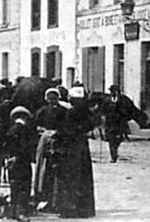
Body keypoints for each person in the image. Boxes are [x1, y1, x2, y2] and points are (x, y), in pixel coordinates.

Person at [53, 85, 96, 218]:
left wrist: (57, 137)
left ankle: (70, 209)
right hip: (82, 146)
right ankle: (85, 209)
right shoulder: (87, 112)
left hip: (70, 148)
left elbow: (65, 130)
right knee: (83, 177)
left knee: (69, 177)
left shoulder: (71, 113)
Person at [33, 88, 66, 210]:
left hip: (58, 141)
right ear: (46, 99)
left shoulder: (63, 111)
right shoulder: (42, 111)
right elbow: (35, 124)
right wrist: (42, 131)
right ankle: (42, 196)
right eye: (50, 99)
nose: (52, 101)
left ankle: (55, 199)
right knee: (43, 168)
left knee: (56, 169)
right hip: (44, 140)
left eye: (55, 99)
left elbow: (66, 126)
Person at [6, 106, 35, 222]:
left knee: (14, 185)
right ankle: (21, 212)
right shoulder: (24, 130)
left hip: (12, 161)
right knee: (24, 186)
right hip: (22, 161)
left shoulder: (11, 129)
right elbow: (24, 147)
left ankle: (13, 211)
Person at [100, 85, 136, 163]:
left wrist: (125, 116)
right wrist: (103, 119)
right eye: (112, 91)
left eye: (115, 91)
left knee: (118, 139)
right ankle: (113, 155)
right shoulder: (106, 100)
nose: (113, 93)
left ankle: (115, 150)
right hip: (110, 123)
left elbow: (129, 109)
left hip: (119, 123)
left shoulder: (123, 100)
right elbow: (103, 111)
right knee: (111, 140)